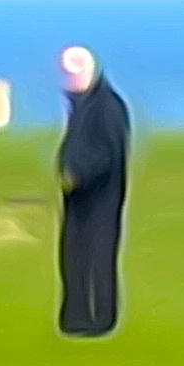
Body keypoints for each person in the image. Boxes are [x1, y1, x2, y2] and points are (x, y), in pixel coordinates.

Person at [53, 45, 131, 336]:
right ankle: (76, 319)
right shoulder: (80, 105)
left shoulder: (108, 107)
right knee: (73, 257)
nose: (70, 79)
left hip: (102, 199)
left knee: (98, 258)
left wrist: (77, 173)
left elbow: (109, 154)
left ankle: (100, 320)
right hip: (78, 198)